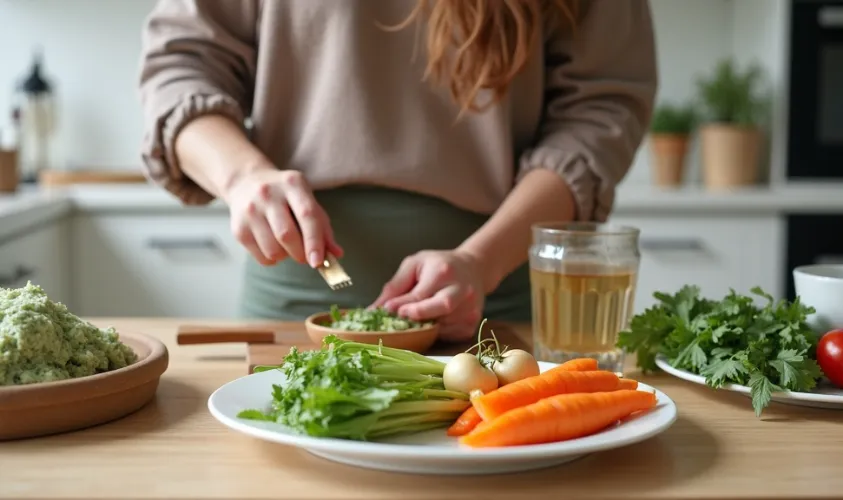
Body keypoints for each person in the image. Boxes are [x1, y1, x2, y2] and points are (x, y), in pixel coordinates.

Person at [137, 0, 657, 341]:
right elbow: (181, 66)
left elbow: (599, 111)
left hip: (490, 302)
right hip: (293, 304)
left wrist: (479, 262)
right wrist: (241, 176)